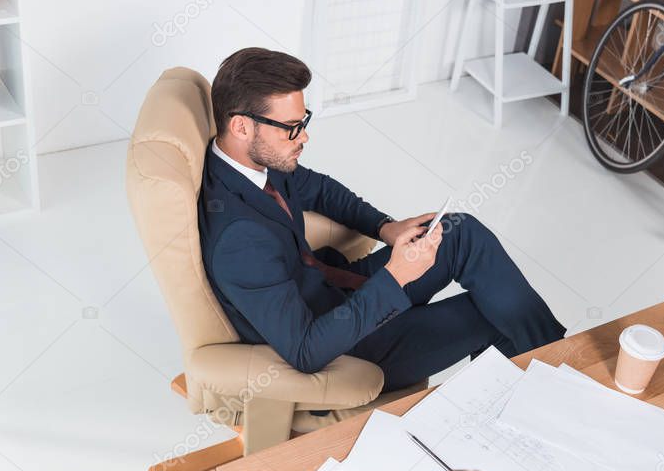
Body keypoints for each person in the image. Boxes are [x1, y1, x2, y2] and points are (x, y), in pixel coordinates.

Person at [198, 47, 565, 393]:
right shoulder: (238, 239)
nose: (304, 136)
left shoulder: (252, 162)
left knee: (459, 231)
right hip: (349, 343)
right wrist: (397, 275)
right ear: (242, 126)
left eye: (304, 121)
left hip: (338, 291)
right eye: (291, 127)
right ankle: (555, 385)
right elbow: (306, 351)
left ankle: (558, 363)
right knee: (492, 315)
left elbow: (319, 189)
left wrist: (387, 228)